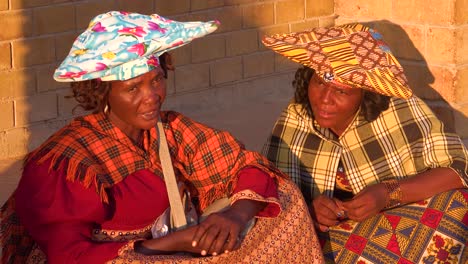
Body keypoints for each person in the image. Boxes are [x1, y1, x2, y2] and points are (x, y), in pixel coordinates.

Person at [0, 11, 324, 263]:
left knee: (283, 199)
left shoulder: (169, 130)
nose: (152, 96)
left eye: (156, 80)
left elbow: (245, 166)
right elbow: (69, 256)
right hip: (122, 258)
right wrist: (172, 244)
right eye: (132, 88)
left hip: (177, 246)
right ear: (102, 93)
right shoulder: (66, 161)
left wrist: (235, 215)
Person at [262, 23, 468, 263]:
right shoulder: (296, 117)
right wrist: (308, 209)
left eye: (341, 92)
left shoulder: (399, 110)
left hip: (404, 227)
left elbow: (459, 170)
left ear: (365, 94)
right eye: (319, 83)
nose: (325, 100)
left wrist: (387, 194)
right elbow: (269, 189)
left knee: (460, 204)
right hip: (333, 242)